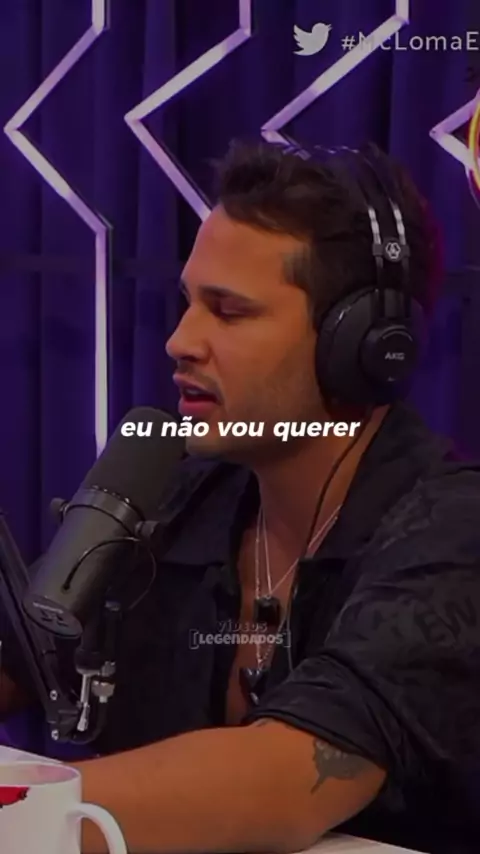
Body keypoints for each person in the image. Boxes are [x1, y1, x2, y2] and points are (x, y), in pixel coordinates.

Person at [2, 138, 480, 854]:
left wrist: (22, 815)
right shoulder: (173, 497)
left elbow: (284, 777)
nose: (179, 341)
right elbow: (20, 655)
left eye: (228, 312)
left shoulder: (454, 531)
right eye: (187, 303)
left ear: (360, 345)